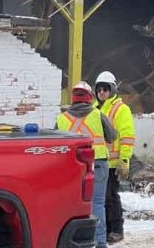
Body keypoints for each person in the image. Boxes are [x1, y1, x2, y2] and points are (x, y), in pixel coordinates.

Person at [56, 81, 116, 248]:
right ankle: (100, 243)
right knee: (97, 204)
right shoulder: (98, 114)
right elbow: (112, 136)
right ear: (90, 97)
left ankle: (75, 242)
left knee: (72, 205)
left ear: (73, 98)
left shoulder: (61, 119)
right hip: (98, 164)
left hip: (71, 167)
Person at [93, 71, 135, 245]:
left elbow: (127, 136)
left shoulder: (121, 108)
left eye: (105, 89)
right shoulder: (94, 109)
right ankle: (107, 229)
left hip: (112, 163)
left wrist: (124, 160)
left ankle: (117, 229)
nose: (101, 92)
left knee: (110, 196)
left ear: (112, 89)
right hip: (98, 162)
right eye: (99, 89)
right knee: (99, 199)